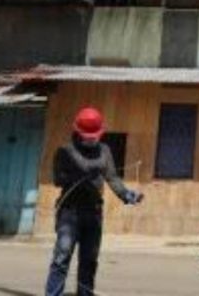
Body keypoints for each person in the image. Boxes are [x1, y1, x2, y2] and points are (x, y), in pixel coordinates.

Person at [44, 106, 143, 296]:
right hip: (69, 213)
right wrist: (78, 176)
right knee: (61, 258)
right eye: (88, 136)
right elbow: (57, 179)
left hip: (94, 214)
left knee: (89, 260)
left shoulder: (104, 151)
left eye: (94, 136)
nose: (92, 139)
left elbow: (112, 177)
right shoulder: (65, 151)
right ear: (78, 132)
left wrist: (126, 195)